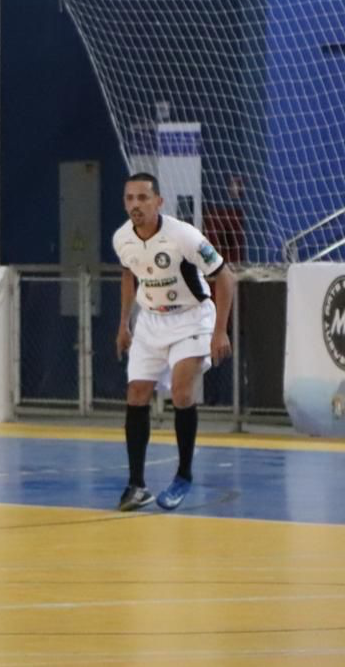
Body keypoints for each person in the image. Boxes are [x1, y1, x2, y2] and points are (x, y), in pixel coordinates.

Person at [114, 172, 235, 512]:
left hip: (191, 317)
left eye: (142, 198)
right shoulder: (123, 239)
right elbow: (128, 274)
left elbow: (225, 277)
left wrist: (220, 330)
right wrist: (124, 324)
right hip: (151, 320)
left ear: (158, 202)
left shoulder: (183, 236)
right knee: (136, 393)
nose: (135, 205)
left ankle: (183, 475)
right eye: (129, 199)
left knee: (182, 392)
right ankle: (136, 485)